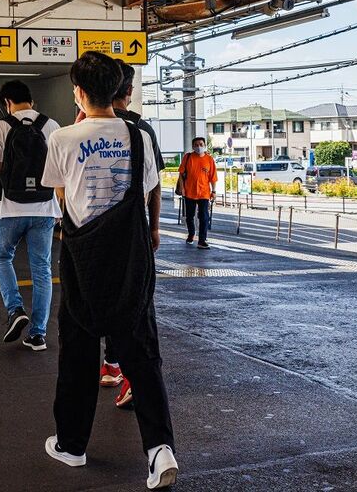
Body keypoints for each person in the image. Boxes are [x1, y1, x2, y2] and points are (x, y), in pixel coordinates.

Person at [41, 51, 178, 490]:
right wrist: (152, 231)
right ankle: (159, 451)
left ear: (78, 92)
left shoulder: (62, 138)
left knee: (78, 352)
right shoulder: (139, 136)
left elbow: (62, 200)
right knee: (141, 353)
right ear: (120, 90)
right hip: (131, 256)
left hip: (83, 257)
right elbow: (149, 191)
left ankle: (72, 445)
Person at [104, 61, 166, 404]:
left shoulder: (84, 127)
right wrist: (153, 226)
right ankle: (126, 372)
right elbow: (155, 186)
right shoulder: (142, 129)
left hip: (93, 231)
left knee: (103, 299)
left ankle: (112, 365)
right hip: (133, 228)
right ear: (129, 91)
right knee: (136, 302)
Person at [0, 80, 60, 351]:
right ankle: (38, 334)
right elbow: (59, 172)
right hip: (45, 208)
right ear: (32, 101)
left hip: (10, 209)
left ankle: (15, 310)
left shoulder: (1, 126)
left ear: (7, 102)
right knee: (42, 270)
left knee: (1, 257)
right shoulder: (52, 126)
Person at [179, 137, 217, 248]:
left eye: (201, 144)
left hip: (204, 193)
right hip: (189, 192)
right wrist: (182, 189)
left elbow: (213, 178)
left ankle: (202, 240)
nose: (198, 146)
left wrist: (214, 191)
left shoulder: (209, 159)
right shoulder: (188, 157)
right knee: (190, 216)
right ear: (193, 146)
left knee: (204, 217)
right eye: (196, 144)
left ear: (205, 145)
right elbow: (181, 174)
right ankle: (191, 234)